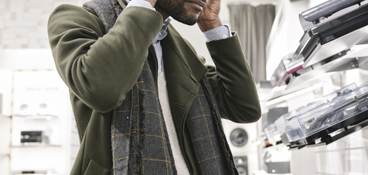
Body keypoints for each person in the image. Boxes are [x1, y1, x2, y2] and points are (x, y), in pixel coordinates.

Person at [47, 0, 261, 174]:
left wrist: (212, 26)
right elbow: (102, 89)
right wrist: (143, 6)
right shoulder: (75, 19)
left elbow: (243, 108)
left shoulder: (180, 49)